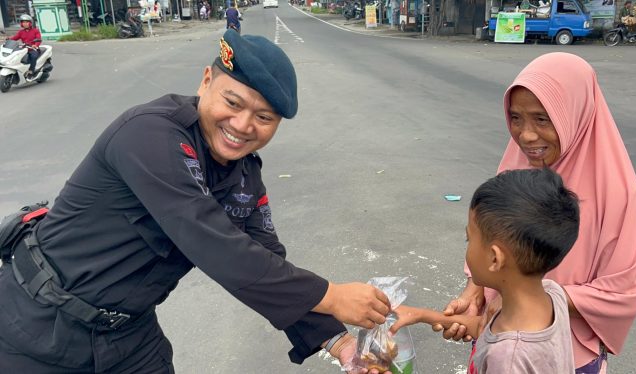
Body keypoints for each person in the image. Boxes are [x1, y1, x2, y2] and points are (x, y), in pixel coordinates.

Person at [0, 30, 392, 374]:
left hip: (129, 334)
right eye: (233, 103)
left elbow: (263, 259)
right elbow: (213, 242)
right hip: (36, 322)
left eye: (264, 117)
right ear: (207, 81)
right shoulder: (149, 134)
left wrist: (340, 346)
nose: (242, 126)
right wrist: (332, 295)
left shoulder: (244, 174)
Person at [439, 52, 636, 373]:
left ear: (576, 113)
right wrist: (475, 294)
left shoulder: (619, 193)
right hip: (497, 335)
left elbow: (623, 291)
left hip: (566, 355)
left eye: (542, 119)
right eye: (515, 118)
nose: (526, 135)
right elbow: (491, 241)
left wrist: (524, 298)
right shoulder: (514, 167)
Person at [390, 168, 580, 373]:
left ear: (494, 258)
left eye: (469, 239)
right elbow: (486, 327)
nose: (467, 246)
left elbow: (501, 340)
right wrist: (421, 315)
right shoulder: (551, 294)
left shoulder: (507, 359)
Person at [8, 14, 41, 79]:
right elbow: (15, 38)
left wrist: (35, 45)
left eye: (26, 22)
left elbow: (38, 40)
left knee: (33, 57)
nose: (25, 24)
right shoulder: (21, 32)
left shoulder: (35, 31)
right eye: (23, 22)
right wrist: (9, 39)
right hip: (24, 49)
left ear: (30, 23)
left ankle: (31, 71)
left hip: (33, 49)